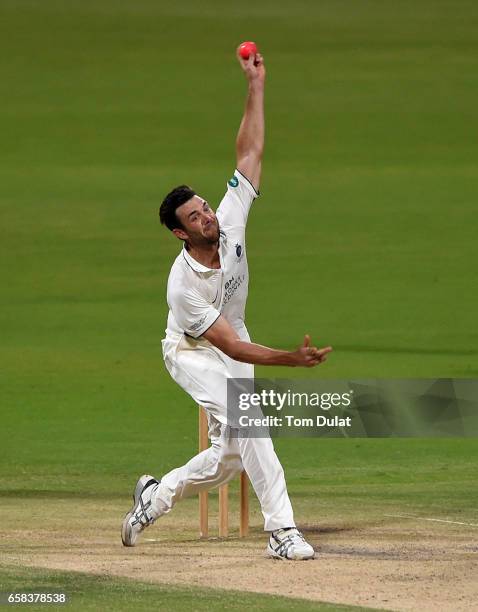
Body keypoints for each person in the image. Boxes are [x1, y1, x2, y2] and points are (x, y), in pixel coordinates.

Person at [121, 47, 332, 560]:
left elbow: (249, 153)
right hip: (194, 351)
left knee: (232, 456)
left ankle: (155, 495)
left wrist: (256, 85)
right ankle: (282, 532)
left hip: (236, 339)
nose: (207, 217)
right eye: (194, 218)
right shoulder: (182, 285)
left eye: (205, 209)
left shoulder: (231, 218)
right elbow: (232, 348)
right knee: (251, 419)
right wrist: (291, 359)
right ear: (179, 233)